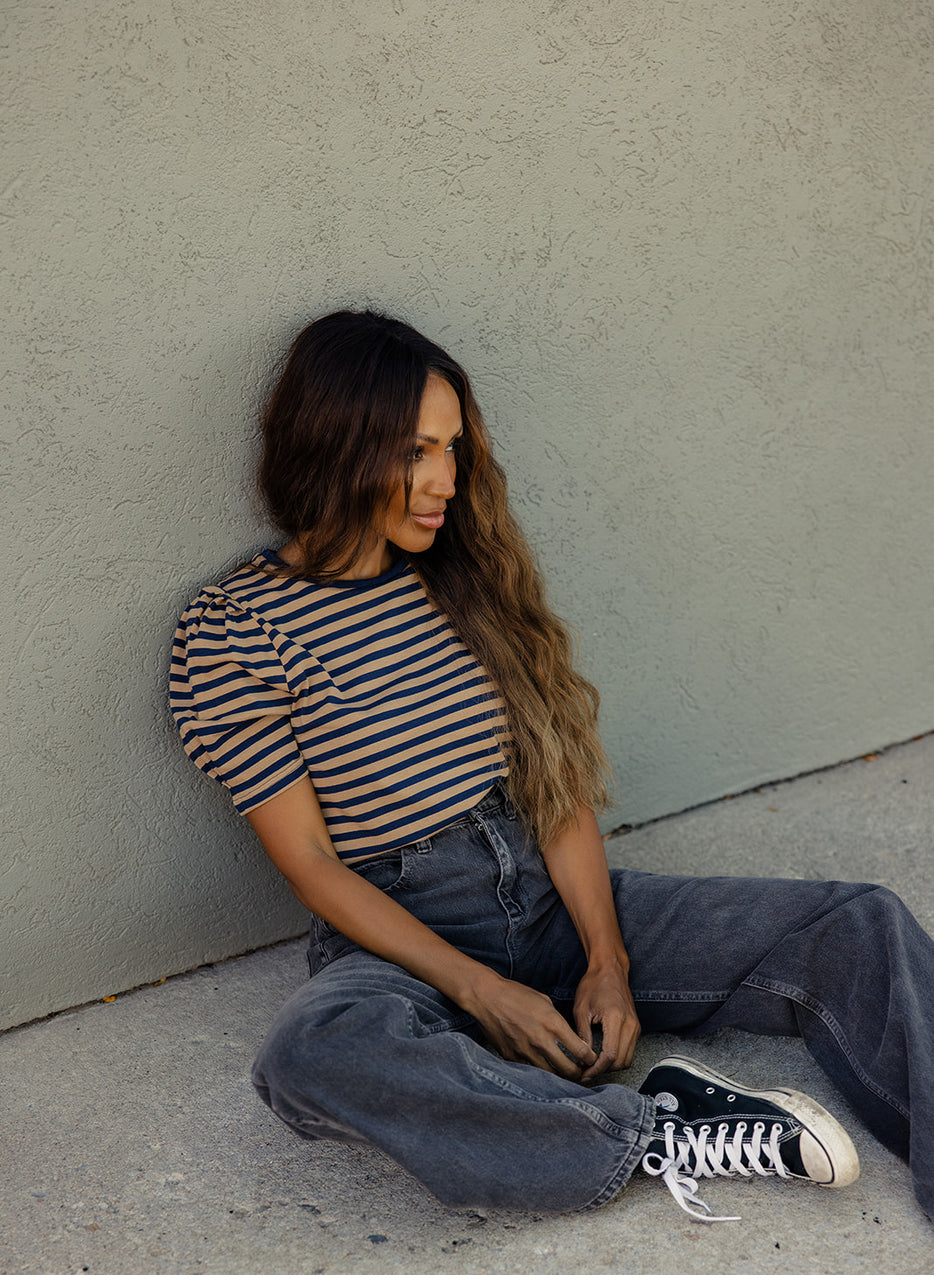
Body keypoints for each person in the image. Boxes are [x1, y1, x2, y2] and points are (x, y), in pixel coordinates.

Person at [170, 309, 933, 1223]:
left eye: (455, 449)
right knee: (313, 1053)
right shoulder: (234, 629)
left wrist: (606, 960)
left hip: (546, 899)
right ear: (337, 440)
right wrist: (483, 992)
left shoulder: (461, 579)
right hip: (401, 934)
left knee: (858, 923)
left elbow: (554, 787)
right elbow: (312, 866)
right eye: (418, 450)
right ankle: (653, 1129)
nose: (446, 481)